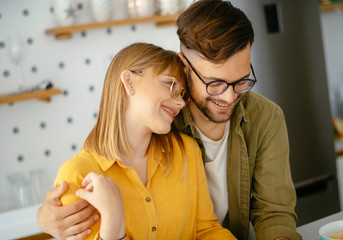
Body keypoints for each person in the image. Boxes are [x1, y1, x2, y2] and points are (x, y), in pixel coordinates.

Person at [37, 1, 302, 239]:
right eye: (215, 83)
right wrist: (43, 219)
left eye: (241, 80)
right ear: (185, 65)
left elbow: (272, 213)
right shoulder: (160, 121)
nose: (231, 96)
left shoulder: (264, 118)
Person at [47, 42, 236, 240]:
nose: (180, 102)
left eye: (182, 93)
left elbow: (206, 230)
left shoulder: (187, 152)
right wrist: (113, 220)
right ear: (129, 82)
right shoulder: (76, 175)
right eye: (170, 84)